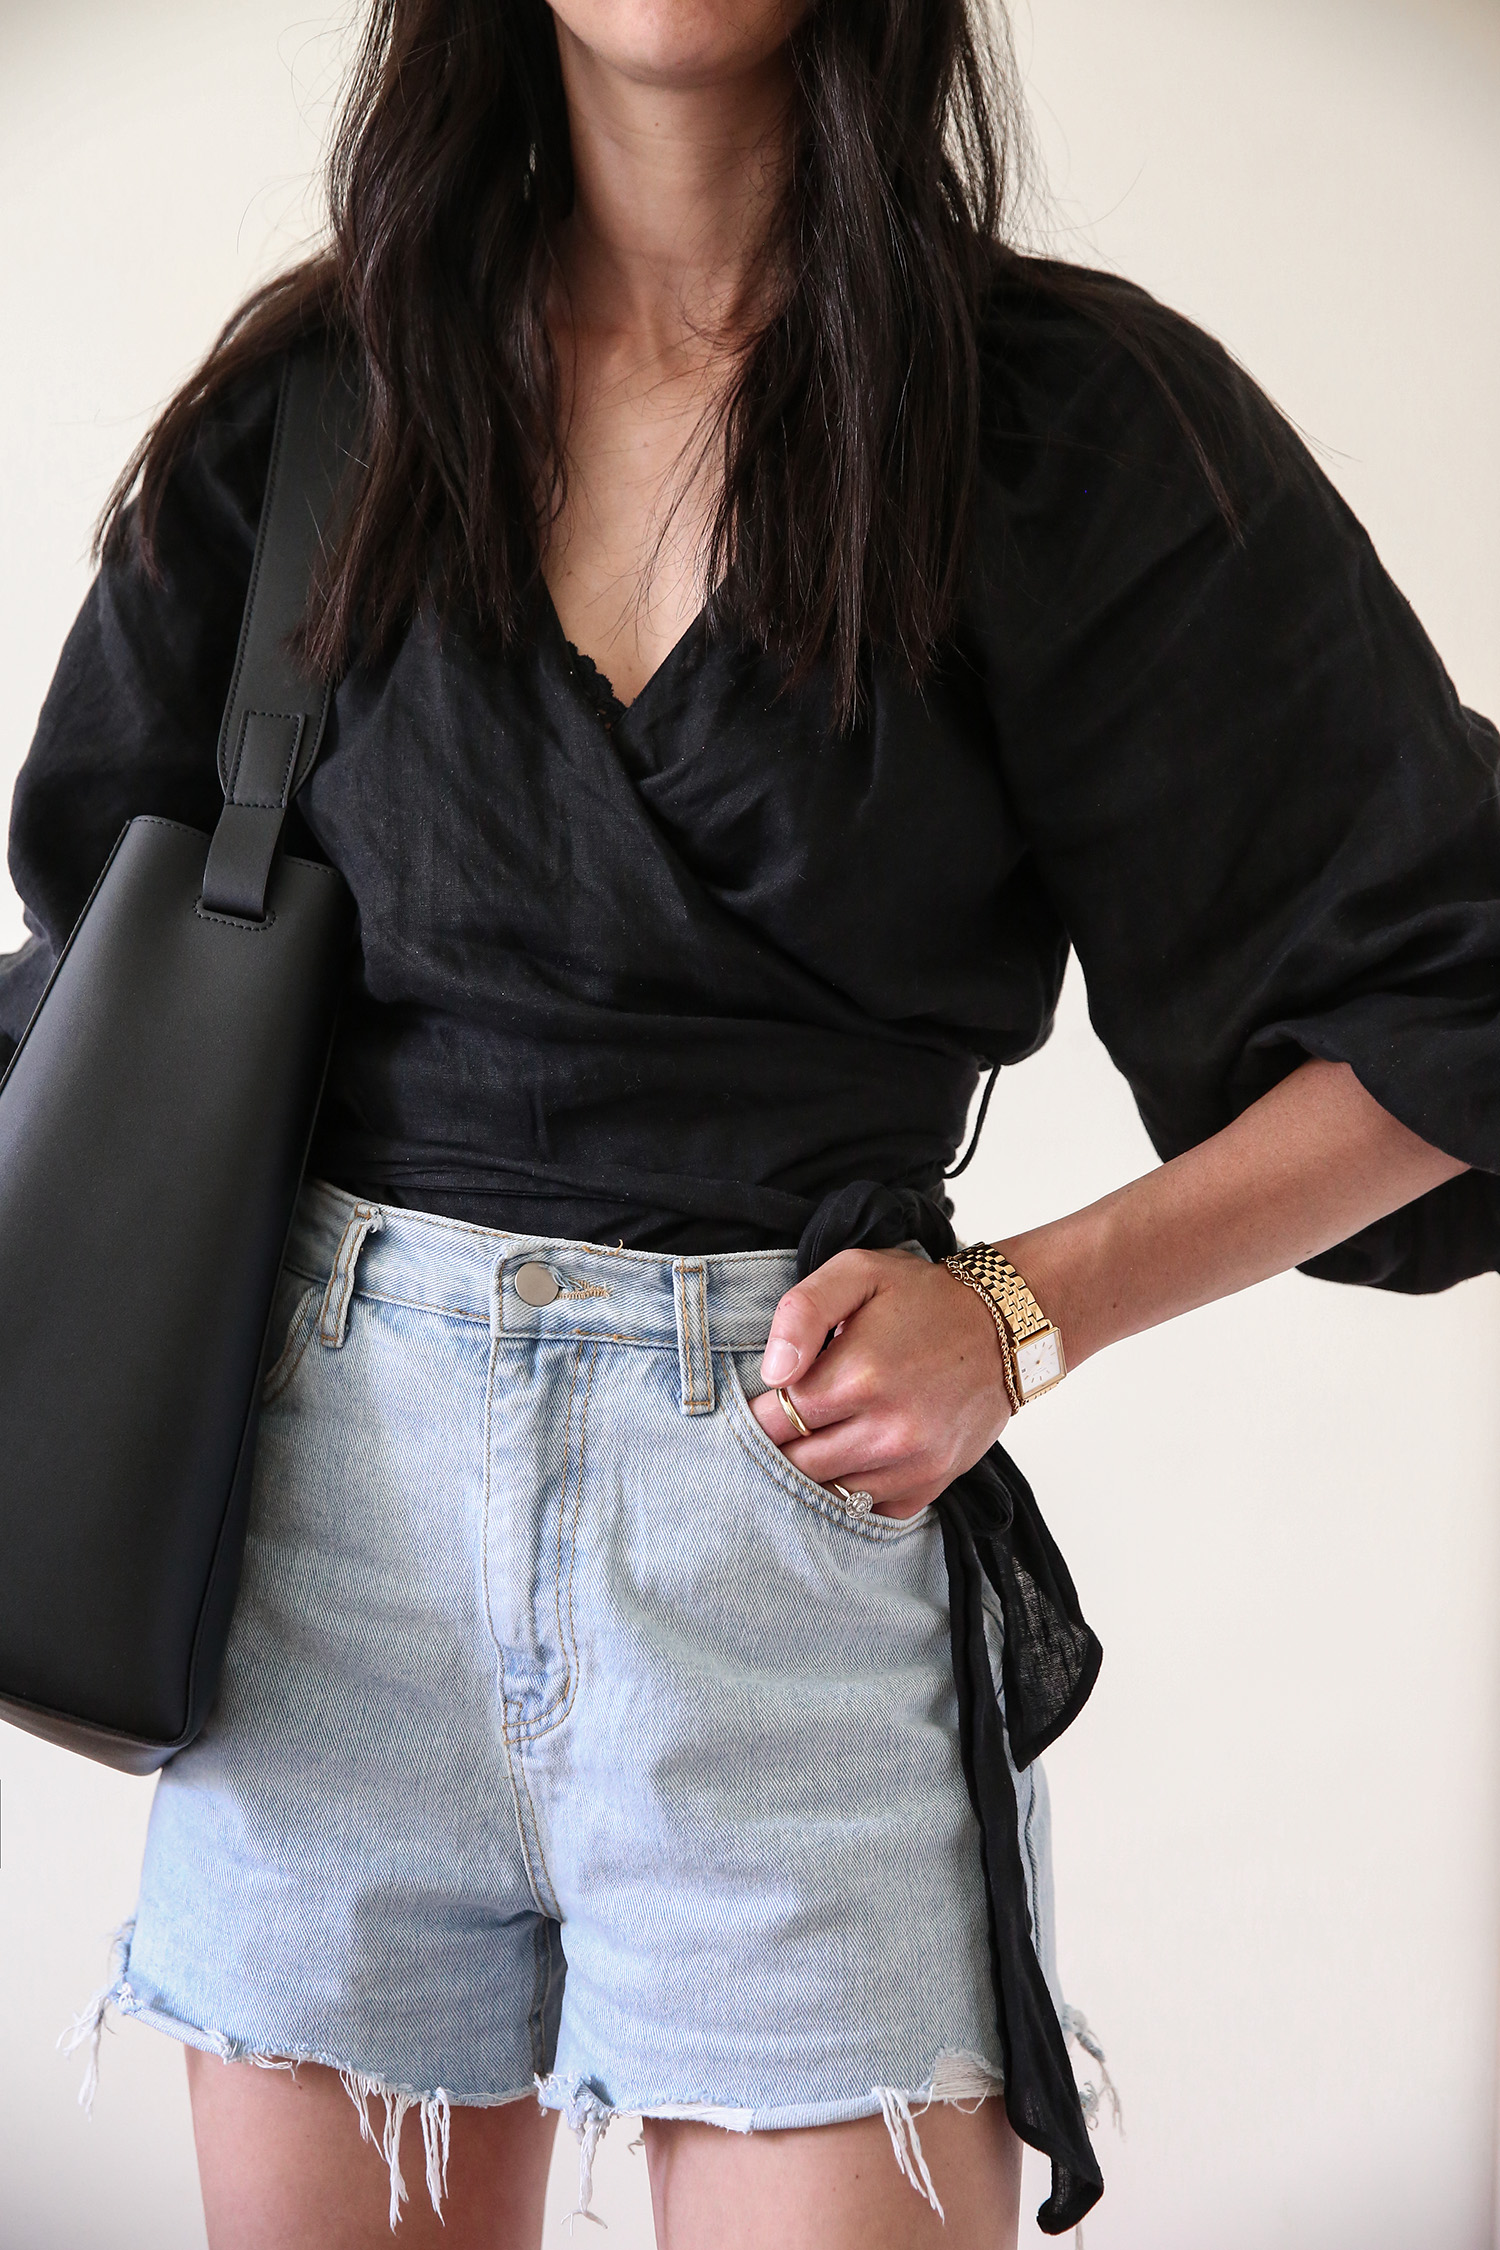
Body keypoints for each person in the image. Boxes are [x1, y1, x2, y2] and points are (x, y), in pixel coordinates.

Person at [5, 1, 1498, 2244]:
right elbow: (94, 999)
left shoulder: (1059, 430)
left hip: (779, 1545)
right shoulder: (322, 403)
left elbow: (1459, 990)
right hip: (322, 1573)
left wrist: (1025, 1307)